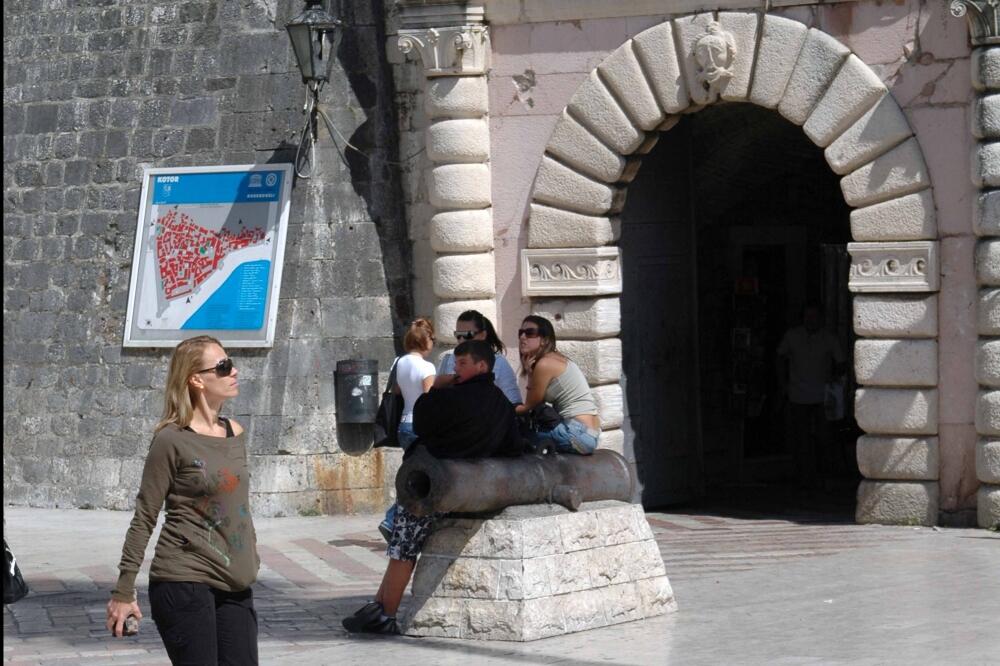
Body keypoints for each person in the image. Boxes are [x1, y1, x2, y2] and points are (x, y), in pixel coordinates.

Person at [342, 340, 520, 635]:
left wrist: (435, 387)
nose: (455, 369)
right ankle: (377, 605)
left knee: (403, 548)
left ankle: (386, 612)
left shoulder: (453, 397)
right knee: (400, 545)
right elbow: (512, 445)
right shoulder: (500, 403)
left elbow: (424, 419)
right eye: (454, 364)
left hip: (433, 482)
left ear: (482, 366)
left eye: (462, 364)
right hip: (468, 484)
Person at [106, 336, 260, 665]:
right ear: (196, 379)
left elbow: (239, 507)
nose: (234, 371)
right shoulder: (170, 440)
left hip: (235, 583)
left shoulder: (235, 432)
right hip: (184, 579)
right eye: (223, 366)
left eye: (230, 363)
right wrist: (123, 591)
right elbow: (144, 516)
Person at [776, 302, 847, 488]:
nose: (811, 320)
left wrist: (834, 379)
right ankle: (803, 476)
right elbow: (780, 358)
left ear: (820, 319)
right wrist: (783, 384)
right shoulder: (792, 336)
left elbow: (841, 363)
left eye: (814, 316)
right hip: (797, 394)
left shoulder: (828, 338)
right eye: (807, 316)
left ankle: (823, 474)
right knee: (801, 438)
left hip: (822, 397)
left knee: (824, 437)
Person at [378, 318, 437, 540]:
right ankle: (393, 519)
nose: (433, 343)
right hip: (420, 426)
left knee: (412, 473)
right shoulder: (427, 367)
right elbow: (430, 400)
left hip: (403, 425)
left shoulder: (398, 363)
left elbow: (397, 391)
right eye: (432, 338)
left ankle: (402, 520)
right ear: (425, 341)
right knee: (419, 476)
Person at [516, 315, 601, 455]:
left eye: (530, 333)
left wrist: (502, 410)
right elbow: (537, 403)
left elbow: (529, 406)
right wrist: (530, 373)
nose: (523, 337)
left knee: (519, 436)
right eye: (521, 333)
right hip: (589, 433)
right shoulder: (556, 358)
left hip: (575, 433)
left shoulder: (545, 364)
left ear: (544, 340)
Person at [433, 309, 522, 405]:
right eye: (458, 335)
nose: (462, 340)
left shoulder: (499, 363)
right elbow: (435, 399)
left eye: (468, 335)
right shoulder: (447, 360)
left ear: (483, 335)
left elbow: (513, 402)